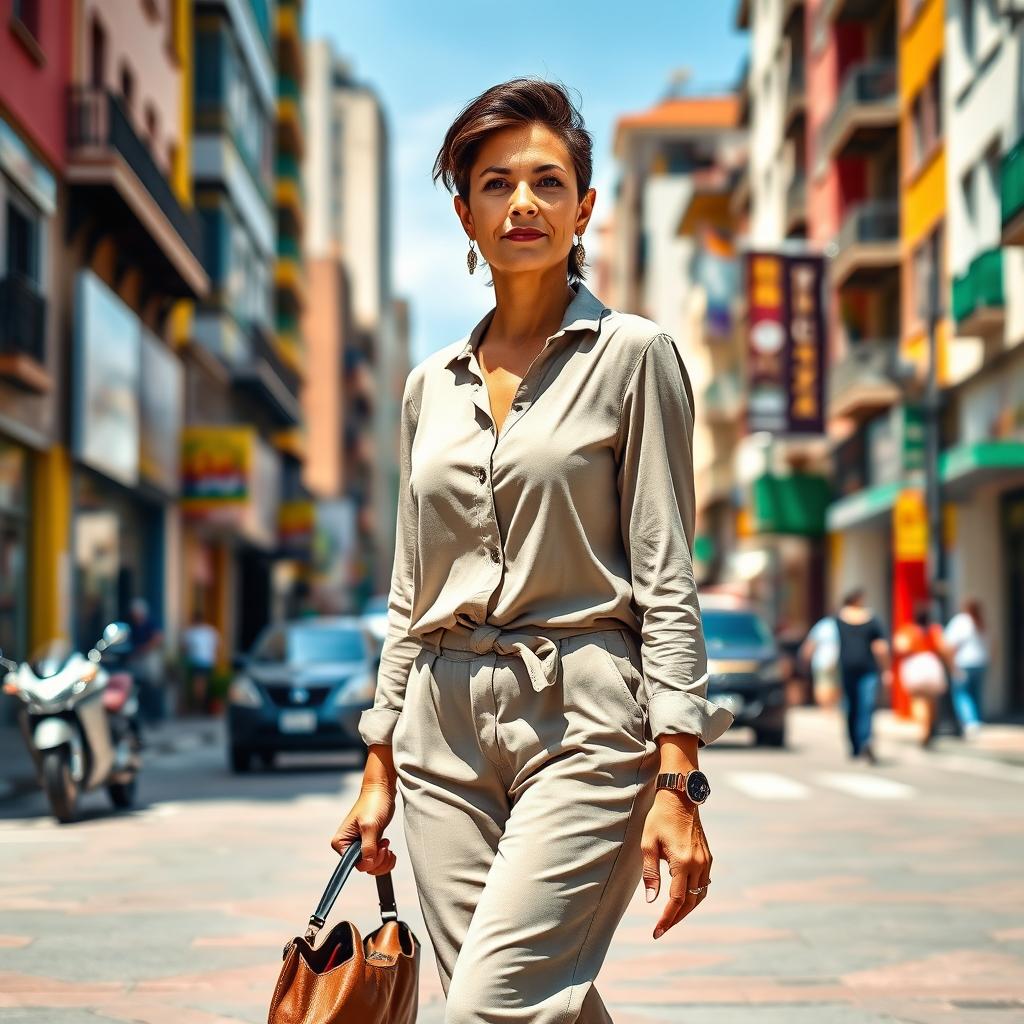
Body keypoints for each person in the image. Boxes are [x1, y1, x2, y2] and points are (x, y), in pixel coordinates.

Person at [328, 78, 735, 1022]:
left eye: (549, 183)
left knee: (490, 1007)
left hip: (584, 718)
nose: (524, 204)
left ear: (584, 207)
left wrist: (678, 779)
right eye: (496, 183)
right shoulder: (427, 385)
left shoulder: (634, 355)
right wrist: (379, 760)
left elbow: (665, 575)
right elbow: (407, 590)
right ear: (464, 210)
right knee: (529, 1001)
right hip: (440, 731)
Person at [835, 588, 891, 764]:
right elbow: (881, 647)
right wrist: (887, 669)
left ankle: (861, 743)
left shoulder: (840, 619)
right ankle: (860, 742)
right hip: (861, 668)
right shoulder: (868, 619)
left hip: (856, 669)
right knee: (860, 706)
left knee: (857, 706)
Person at [895, 600, 955, 747]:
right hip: (932, 665)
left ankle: (923, 729)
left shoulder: (908, 630)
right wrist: (952, 667)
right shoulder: (935, 630)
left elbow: (900, 647)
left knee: (918, 700)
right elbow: (944, 648)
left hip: (915, 665)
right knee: (931, 701)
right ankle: (927, 728)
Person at [944, 598, 988, 737]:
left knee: (962, 694)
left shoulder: (960, 621)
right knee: (976, 694)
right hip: (980, 663)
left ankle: (970, 723)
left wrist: (952, 666)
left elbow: (950, 645)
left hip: (963, 663)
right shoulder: (981, 622)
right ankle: (977, 721)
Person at [127, 597, 165, 725]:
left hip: (148, 658)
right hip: (137, 659)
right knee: (138, 687)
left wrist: (145, 648)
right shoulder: (132, 625)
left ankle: (155, 716)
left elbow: (158, 637)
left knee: (152, 686)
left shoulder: (149, 623)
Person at [182, 609, 220, 714]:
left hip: (198, 661)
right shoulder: (210, 631)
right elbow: (216, 647)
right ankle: (201, 705)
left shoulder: (191, 632)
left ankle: (199, 705)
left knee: (199, 685)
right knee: (203, 684)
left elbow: (185, 648)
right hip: (207, 661)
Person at [799, 612, 840, 708]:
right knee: (832, 685)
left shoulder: (821, 626)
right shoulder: (838, 625)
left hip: (821, 661)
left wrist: (804, 659)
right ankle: (829, 706)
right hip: (833, 661)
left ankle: (826, 707)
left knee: (823, 685)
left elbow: (810, 645)